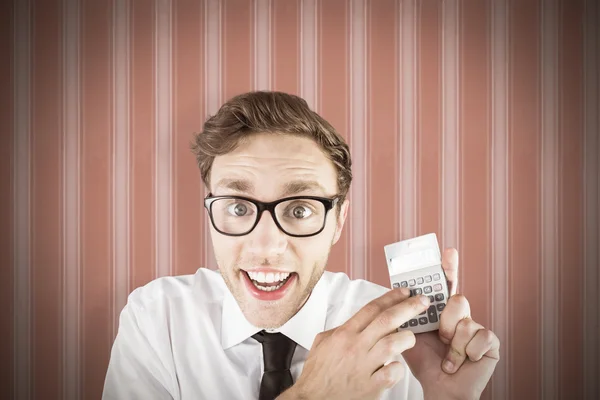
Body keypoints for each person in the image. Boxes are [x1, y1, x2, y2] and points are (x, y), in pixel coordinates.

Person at [102, 91, 499, 400]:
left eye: (300, 209)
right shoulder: (157, 318)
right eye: (239, 207)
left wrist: (445, 396)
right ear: (210, 211)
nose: (267, 247)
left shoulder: (400, 341)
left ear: (338, 220)